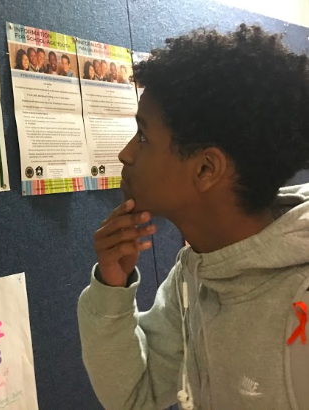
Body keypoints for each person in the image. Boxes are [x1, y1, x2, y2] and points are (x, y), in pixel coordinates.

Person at [78, 24, 309, 410]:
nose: (126, 154)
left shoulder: (298, 296)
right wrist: (111, 289)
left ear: (205, 170)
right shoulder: (197, 275)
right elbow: (135, 395)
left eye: (144, 137)